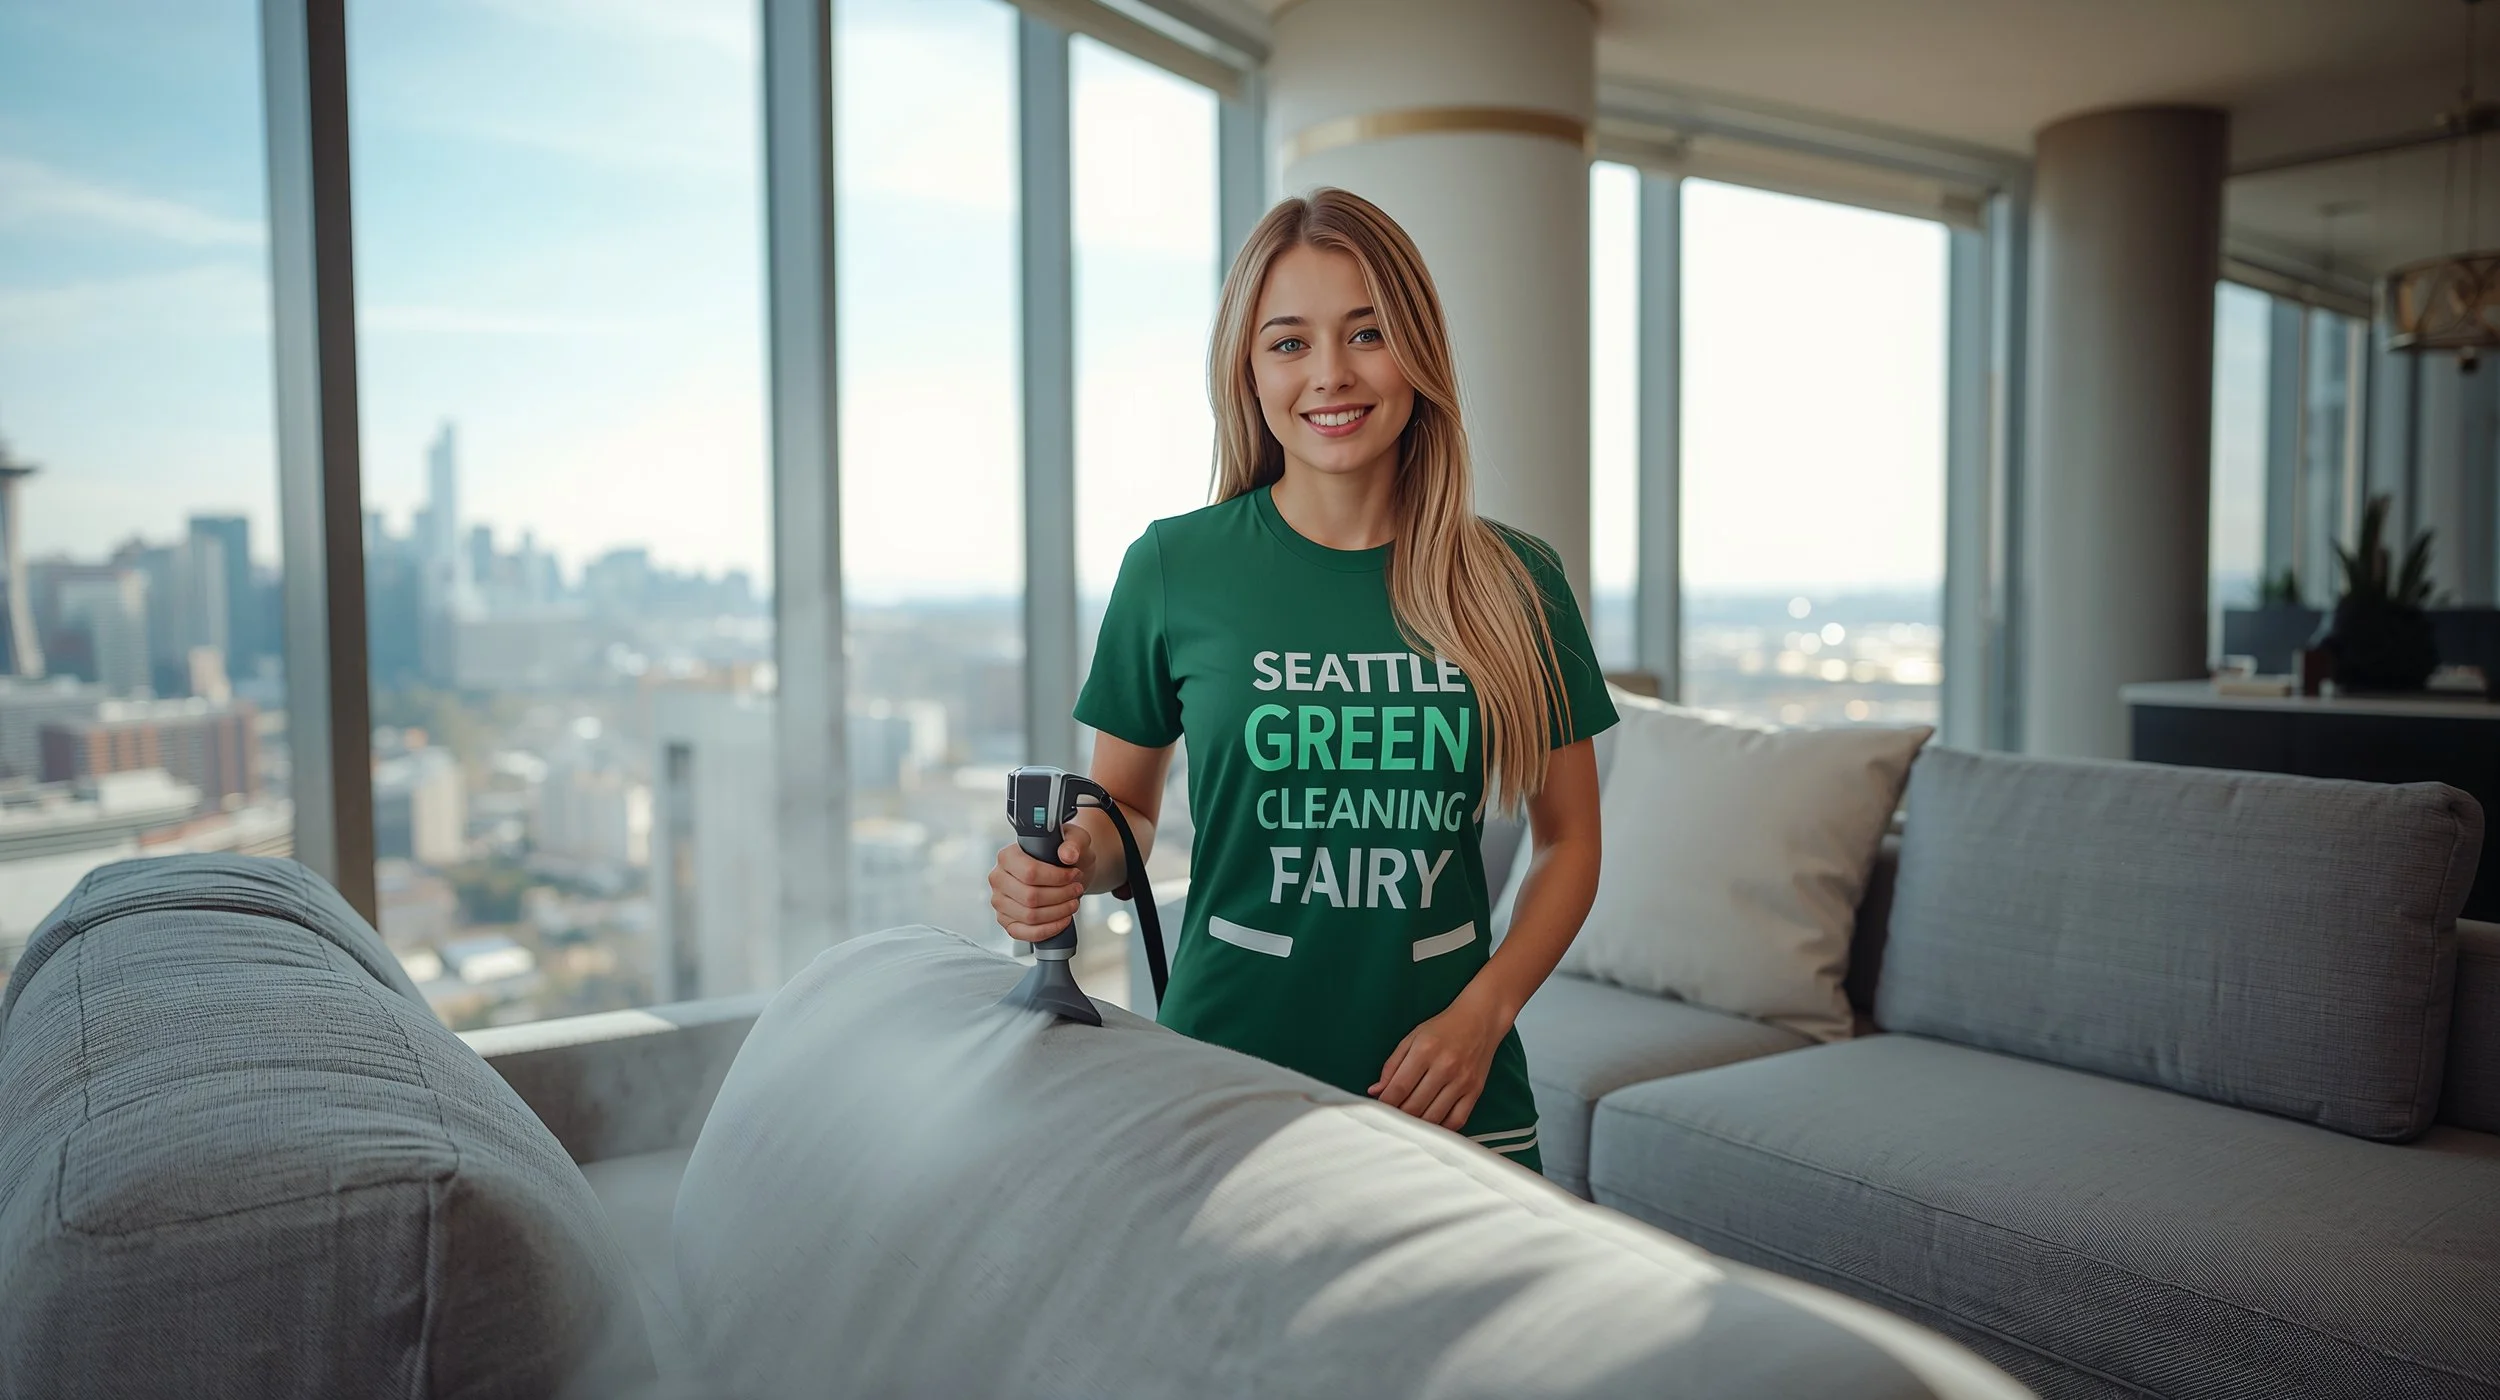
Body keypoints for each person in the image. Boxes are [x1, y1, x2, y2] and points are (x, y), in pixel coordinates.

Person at [988, 187, 1615, 1174]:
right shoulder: (1172, 567)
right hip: (1221, 1073)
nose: (1331, 373)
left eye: (1368, 333)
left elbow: (1571, 841)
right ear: (1247, 369)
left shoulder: (1517, 580)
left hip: (1449, 1085)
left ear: (1417, 350)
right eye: (1289, 342)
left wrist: (1482, 1015)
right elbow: (1128, 817)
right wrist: (1068, 862)